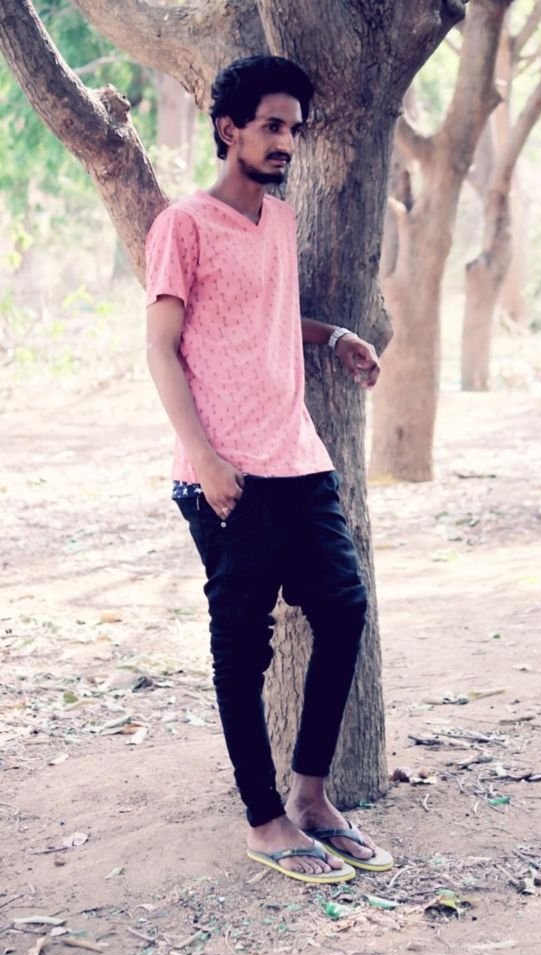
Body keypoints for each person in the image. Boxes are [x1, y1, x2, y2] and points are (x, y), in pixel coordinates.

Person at [145, 55, 392, 884]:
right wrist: (205, 459)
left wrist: (336, 336)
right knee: (242, 649)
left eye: (293, 128)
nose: (286, 141)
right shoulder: (182, 224)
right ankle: (263, 820)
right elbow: (161, 347)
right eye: (272, 126)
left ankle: (311, 799)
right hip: (229, 477)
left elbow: (268, 318)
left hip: (298, 458)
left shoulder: (280, 222)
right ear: (230, 129)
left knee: (344, 610)